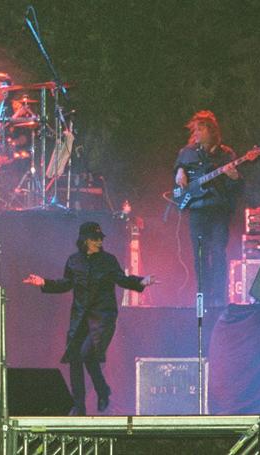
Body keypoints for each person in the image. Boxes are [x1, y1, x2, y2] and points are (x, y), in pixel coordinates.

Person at [23, 222, 156, 416]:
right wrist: (44, 283)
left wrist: (141, 281)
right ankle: (79, 406)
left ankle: (102, 390)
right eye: (95, 239)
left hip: (102, 318)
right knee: (75, 358)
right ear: (85, 240)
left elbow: (121, 279)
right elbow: (66, 284)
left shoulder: (108, 261)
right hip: (80, 318)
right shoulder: (74, 261)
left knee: (87, 354)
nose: (99, 242)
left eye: (101, 238)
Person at [173, 110, 241, 307]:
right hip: (197, 210)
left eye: (200, 129)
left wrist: (235, 178)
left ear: (211, 131)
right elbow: (178, 169)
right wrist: (179, 171)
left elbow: (235, 188)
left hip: (218, 210)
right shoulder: (187, 153)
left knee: (219, 252)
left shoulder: (226, 154)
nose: (196, 133)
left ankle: (220, 296)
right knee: (200, 254)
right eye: (195, 130)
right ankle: (203, 295)